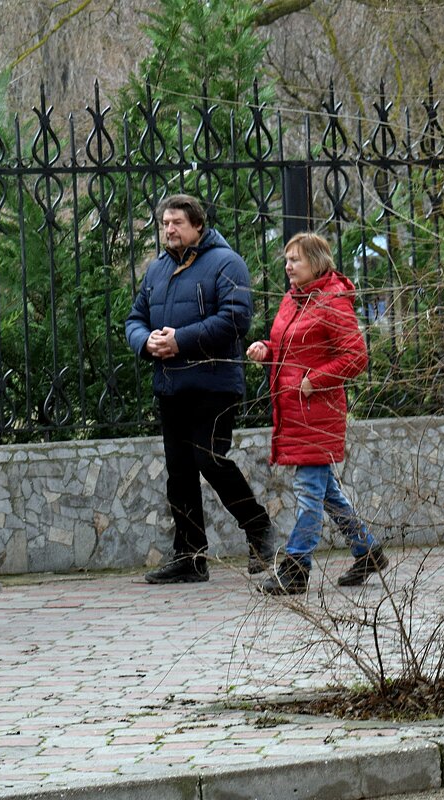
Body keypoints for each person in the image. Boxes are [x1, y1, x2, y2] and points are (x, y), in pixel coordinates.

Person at [125, 194, 275, 584]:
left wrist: (181, 340)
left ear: (197, 225)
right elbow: (135, 317)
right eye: (164, 223)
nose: (169, 230)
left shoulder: (227, 263)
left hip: (215, 383)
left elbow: (235, 320)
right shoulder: (157, 269)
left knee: (210, 459)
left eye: (176, 223)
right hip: (171, 385)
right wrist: (145, 342)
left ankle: (257, 528)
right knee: (179, 472)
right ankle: (190, 558)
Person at [245, 231, 386, 595]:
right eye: (287, 259)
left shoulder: (333, 301)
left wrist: (315, 379)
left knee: (309, 494)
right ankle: (367, 550)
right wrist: (266, 348)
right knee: (326, 492)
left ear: (316, 263)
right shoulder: (293, 300)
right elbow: (289, 344)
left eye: (296, 260)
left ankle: (295, 568)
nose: (288, 266)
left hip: (317, 412)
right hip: (293, 410)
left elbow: (356, 357)